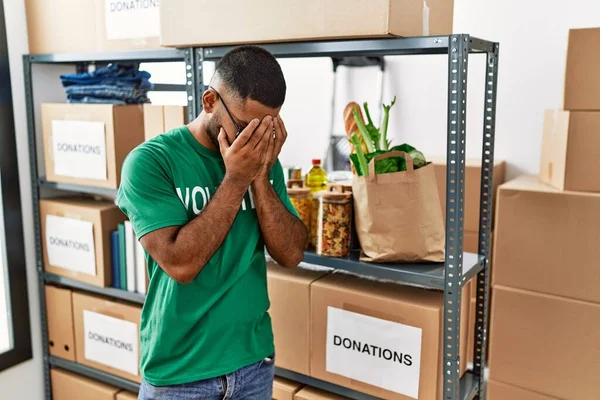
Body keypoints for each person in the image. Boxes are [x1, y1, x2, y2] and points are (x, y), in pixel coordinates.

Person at [116, 45, 308, 400]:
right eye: (245, 127)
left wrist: (260, 175)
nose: (257, 139)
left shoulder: (262, 161)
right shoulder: (150, 162)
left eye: (267, 127)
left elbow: (292, 253)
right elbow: (181, 263)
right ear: (209, 101)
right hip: (180, 375)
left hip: (252, 365)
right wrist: (236, 180)